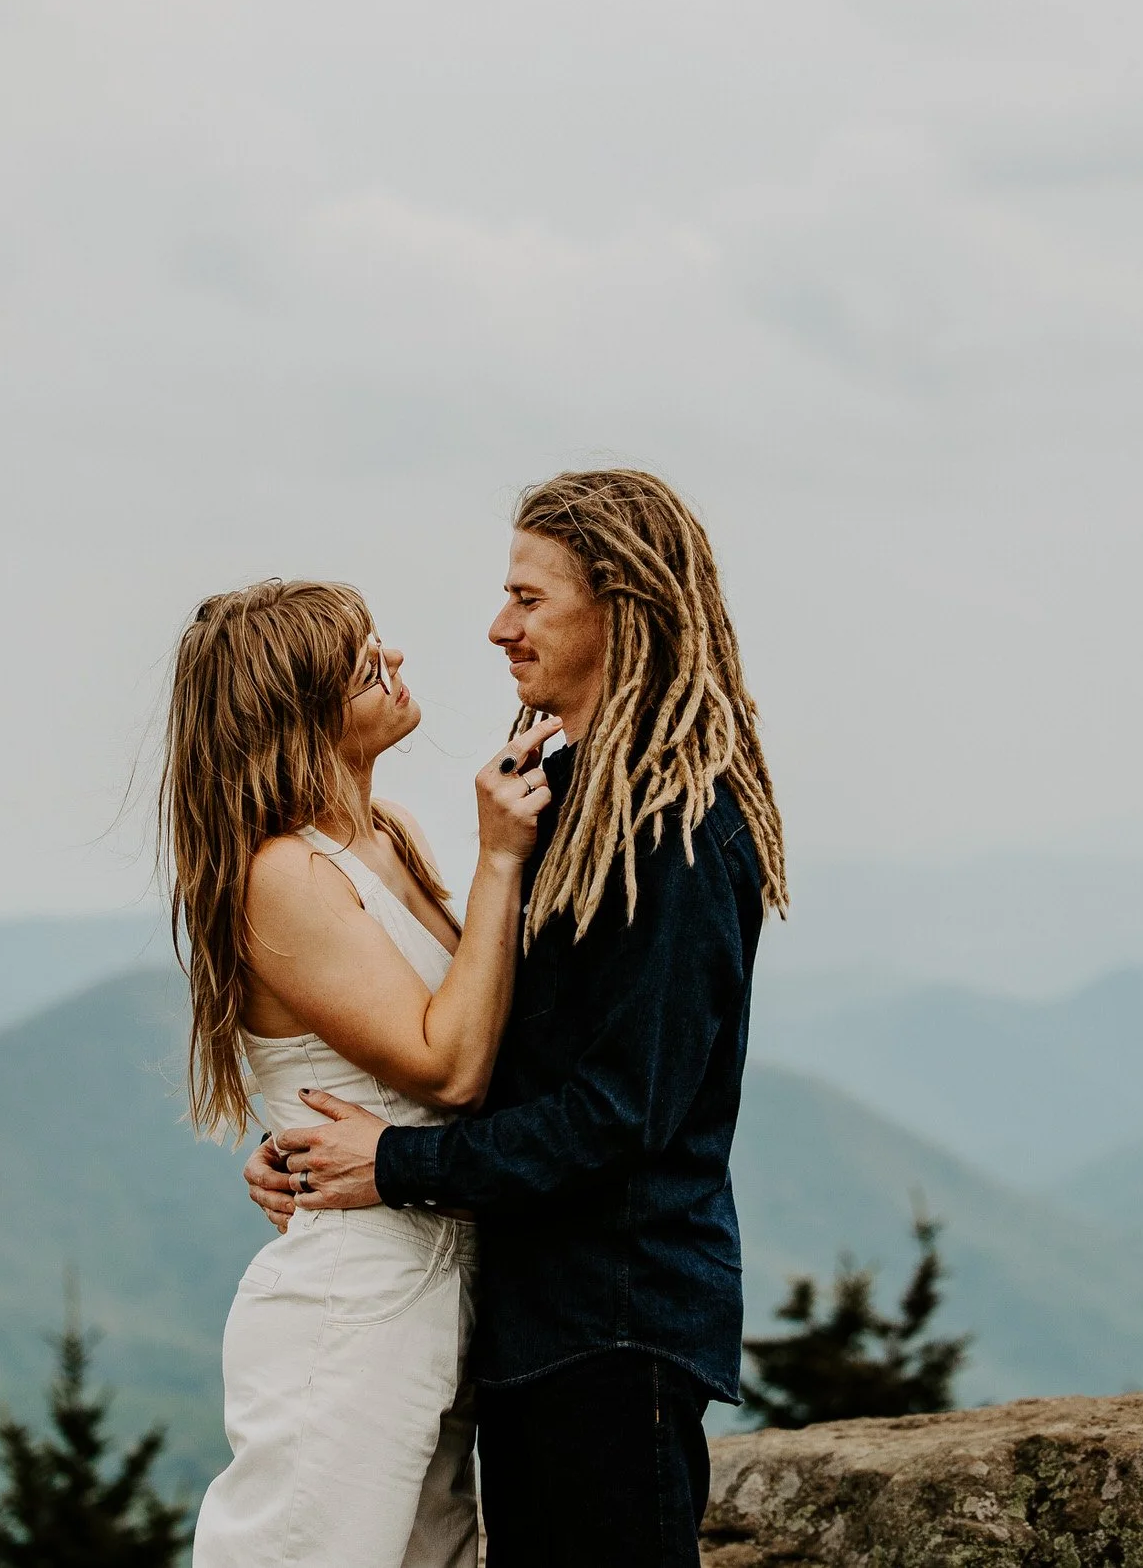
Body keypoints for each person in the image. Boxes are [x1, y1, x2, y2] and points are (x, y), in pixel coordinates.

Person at [252, 470, 787, 1568]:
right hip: (542, 1318)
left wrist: (393, 1162)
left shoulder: (672, 824)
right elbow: (506, 1047)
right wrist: (311, 1148)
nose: (498, 628)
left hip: (616, 1319)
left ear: (622, 604)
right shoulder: (566, 794)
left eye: (529, 598)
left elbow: (619, 1109)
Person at [168, 578, 560, 1568]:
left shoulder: (390, 836)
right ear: (299, 707)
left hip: (446, 1292)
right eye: (362, 661)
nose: (394, 665)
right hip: (354, 1306)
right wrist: (502, 857)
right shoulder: (284, 873)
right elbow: (452, 1066)